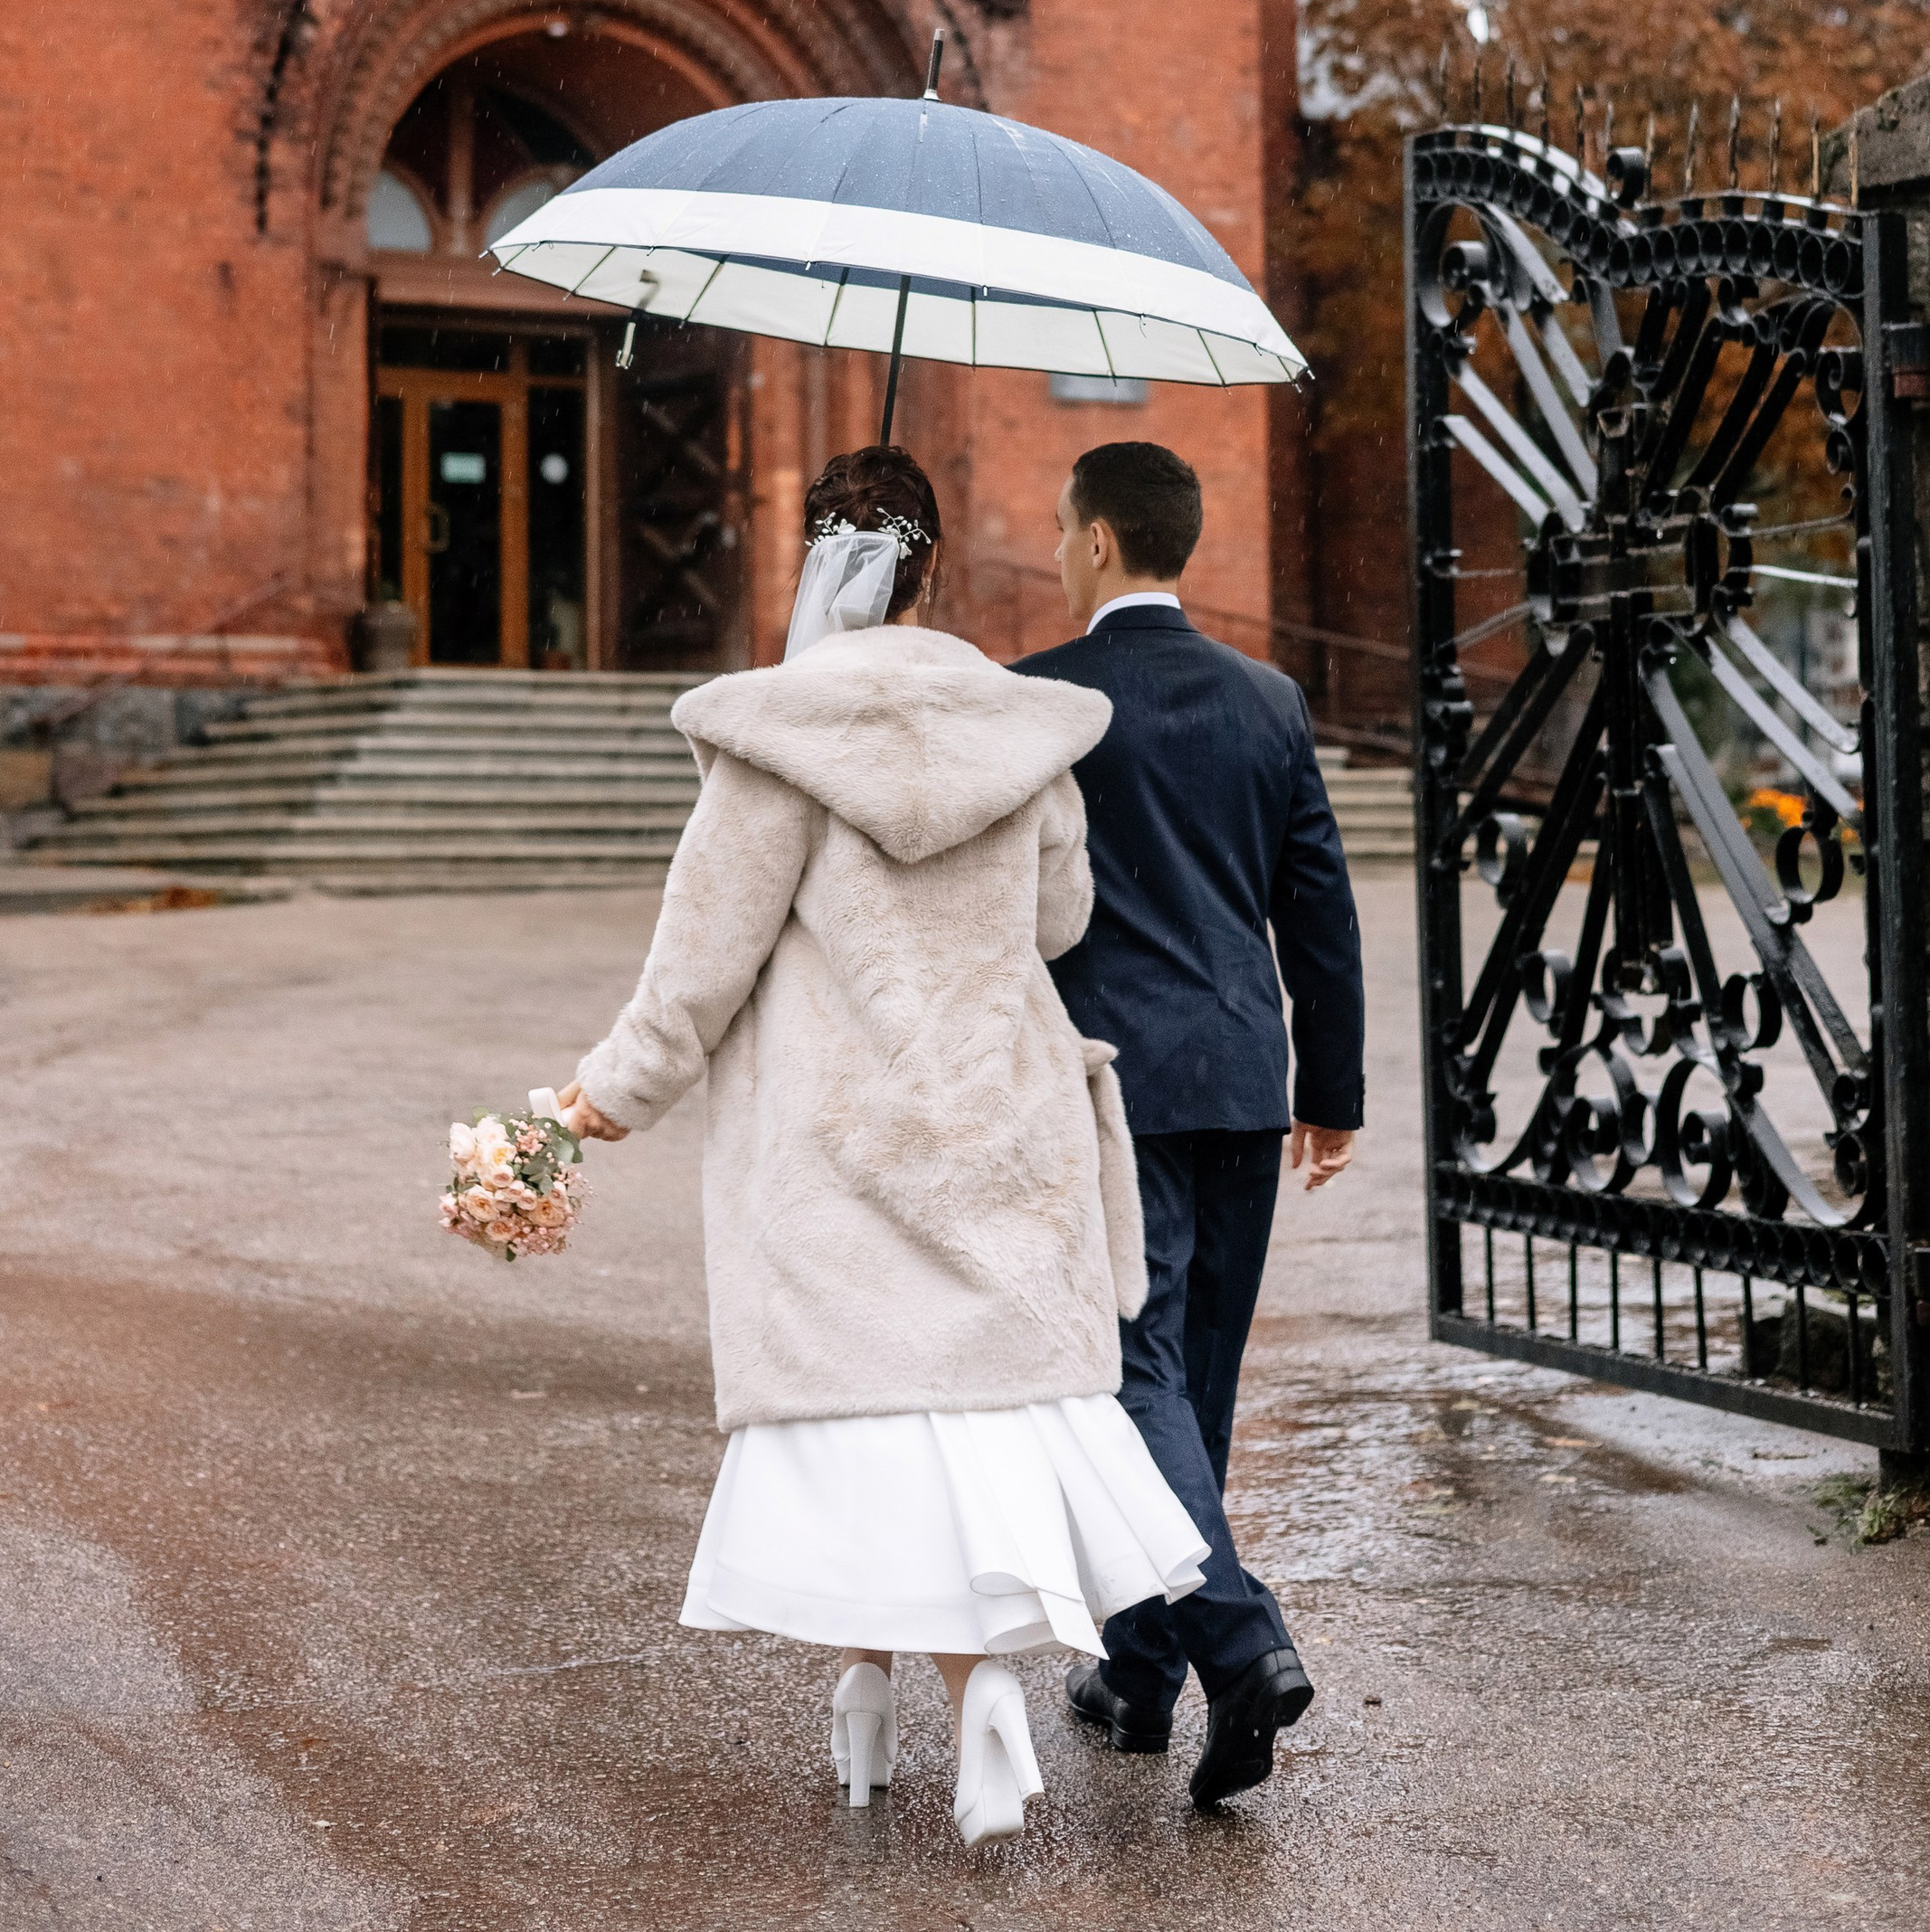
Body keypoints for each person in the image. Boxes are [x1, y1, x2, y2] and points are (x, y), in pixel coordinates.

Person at [555, 443, 1209, 1849]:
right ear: (935, 571)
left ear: (816, 559)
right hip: (994, 1115)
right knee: (965, 1416)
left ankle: (889, 1696)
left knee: (862, 1419)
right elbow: (1059, 921)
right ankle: (952, 1692)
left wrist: (609, 1094)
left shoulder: (779, 738)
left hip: (837, 1130)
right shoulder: (1020, 731)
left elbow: (700, 961)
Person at [1015, 439, 1365, 1812]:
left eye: (1062, 529)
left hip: (1118, 1086)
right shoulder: (1268, 699)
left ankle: (1236, 1639)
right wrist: (1331, 1094)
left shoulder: (1045, 701)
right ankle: (1139, 1675)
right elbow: (1317, 904)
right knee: (1190, 1379)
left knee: (1129, 1374)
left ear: (1100, 540)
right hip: (1242, 1076)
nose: (1056, 551)